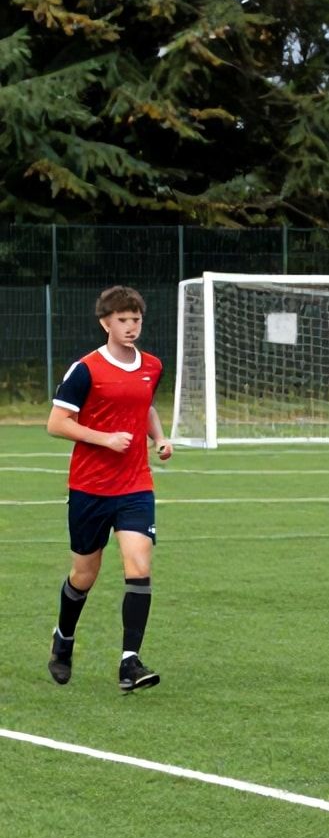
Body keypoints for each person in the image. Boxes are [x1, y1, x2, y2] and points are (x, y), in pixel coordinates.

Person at [46, 286, 173, 693]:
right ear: (105, 323)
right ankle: (63, 639)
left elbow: (146, 405)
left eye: (135, 319)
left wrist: (158, 438)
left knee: (139, 568)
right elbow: (57, 423)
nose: (131, 326)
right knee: (84, 574)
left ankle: (129, 663)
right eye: (122, 319)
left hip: (135, 485)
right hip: (90, 488)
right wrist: (103, 439)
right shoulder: (84, 369)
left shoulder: (152, 365)